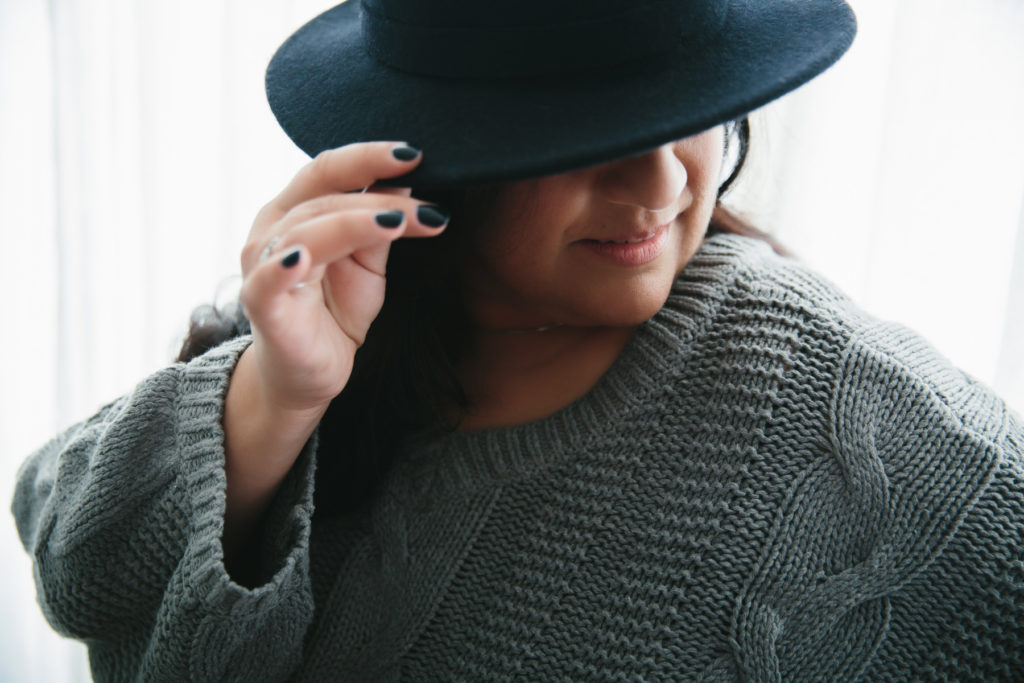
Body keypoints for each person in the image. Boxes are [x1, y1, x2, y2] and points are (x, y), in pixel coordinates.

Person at [12, 0, 1024, 680]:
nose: (665, 186)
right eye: (588, 139)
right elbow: (75, 555)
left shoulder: (885, 436)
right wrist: (277, 395)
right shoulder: (349, 312)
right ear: (437, 149)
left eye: (693, 114)